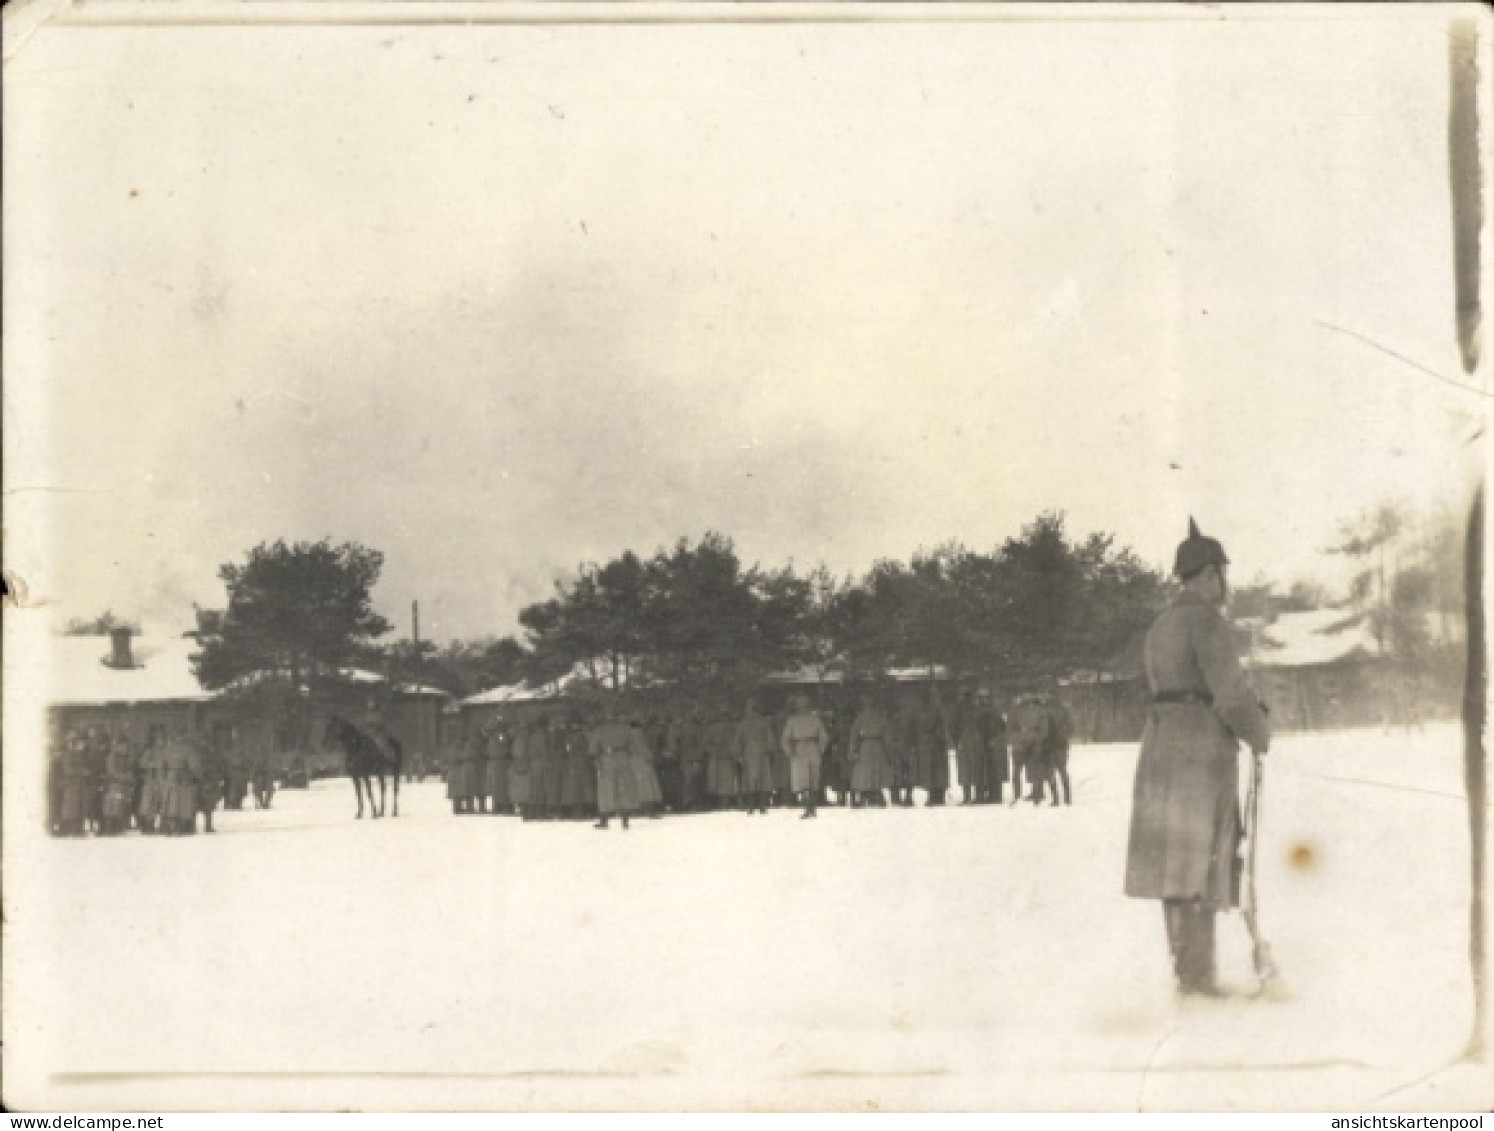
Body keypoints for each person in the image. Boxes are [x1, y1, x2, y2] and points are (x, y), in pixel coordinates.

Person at [1124, 519, 1270, 998]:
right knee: (1203, 860)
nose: (1223, 585)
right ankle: (1199, 980)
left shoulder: (1160, 625)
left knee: (1174, 862)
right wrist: (1258, 730)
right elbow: (1229, 695)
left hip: (1161, 750)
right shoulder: (1208, 621)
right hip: (1200, 755)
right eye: (1221, 575)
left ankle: (1187, 973)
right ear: (1209, 575)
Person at [590, 701, 649, 830]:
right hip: (622, 758)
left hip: (607, 758)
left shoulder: (600, 730)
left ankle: (604, 820)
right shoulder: (625, 729)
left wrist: (597, 759)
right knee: (624, 788)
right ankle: (625, 820)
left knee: (606, 790)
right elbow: (633, 746)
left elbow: (593, 749)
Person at [780, 694, 830, 819]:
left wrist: (819, 749)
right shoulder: (793, 720)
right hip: (800, 749)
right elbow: (785, 739)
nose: (803, 709)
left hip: (809, 748)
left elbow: (824, 737)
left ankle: (811, 807)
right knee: (803, 780)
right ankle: (808, 807)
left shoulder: (815, 720)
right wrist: (790, 752)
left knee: (812, 779)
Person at [848, 695, 894, 808]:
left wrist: (853, 750)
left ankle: (870, 794)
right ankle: (872, 794)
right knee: (872, 770)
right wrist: (888, 750)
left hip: (867, 746)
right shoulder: (878, 718)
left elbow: (854, 736)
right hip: (875, 746)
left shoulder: (861, 718)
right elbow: (887, 737)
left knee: (868, 770)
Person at [734, 699, 778, 816]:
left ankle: (752, 807)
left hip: (750, 753)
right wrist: (770, 751)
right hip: (761, 753)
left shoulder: (743, 724)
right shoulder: (763, 722)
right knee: (761, 780)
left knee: (751, 780)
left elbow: (738, 741)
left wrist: (739, 755)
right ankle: (761, 806)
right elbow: (770, 740)